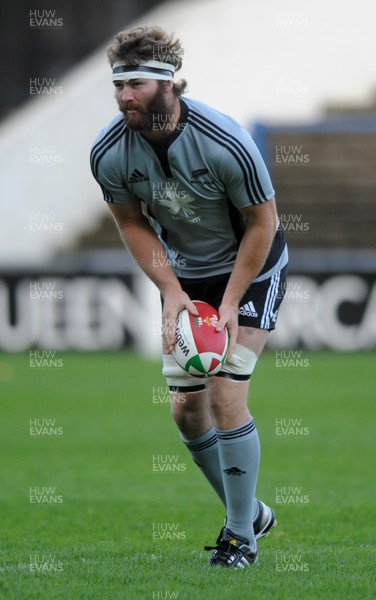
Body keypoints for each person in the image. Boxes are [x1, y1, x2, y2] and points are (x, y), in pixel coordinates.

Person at [90, 25, 288, 569]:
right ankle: (252, 515)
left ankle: (240, 540)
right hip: (185, 278)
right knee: (185, 411)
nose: (124, 95)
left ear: (168, 85)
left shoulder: (225, 141)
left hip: (252, 270)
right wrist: (172, 290)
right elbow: (131, 224)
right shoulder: (109, 152)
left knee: (226, 395)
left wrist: (229, 301)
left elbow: (263, 222)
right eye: (118, 85)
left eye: (135, 83)